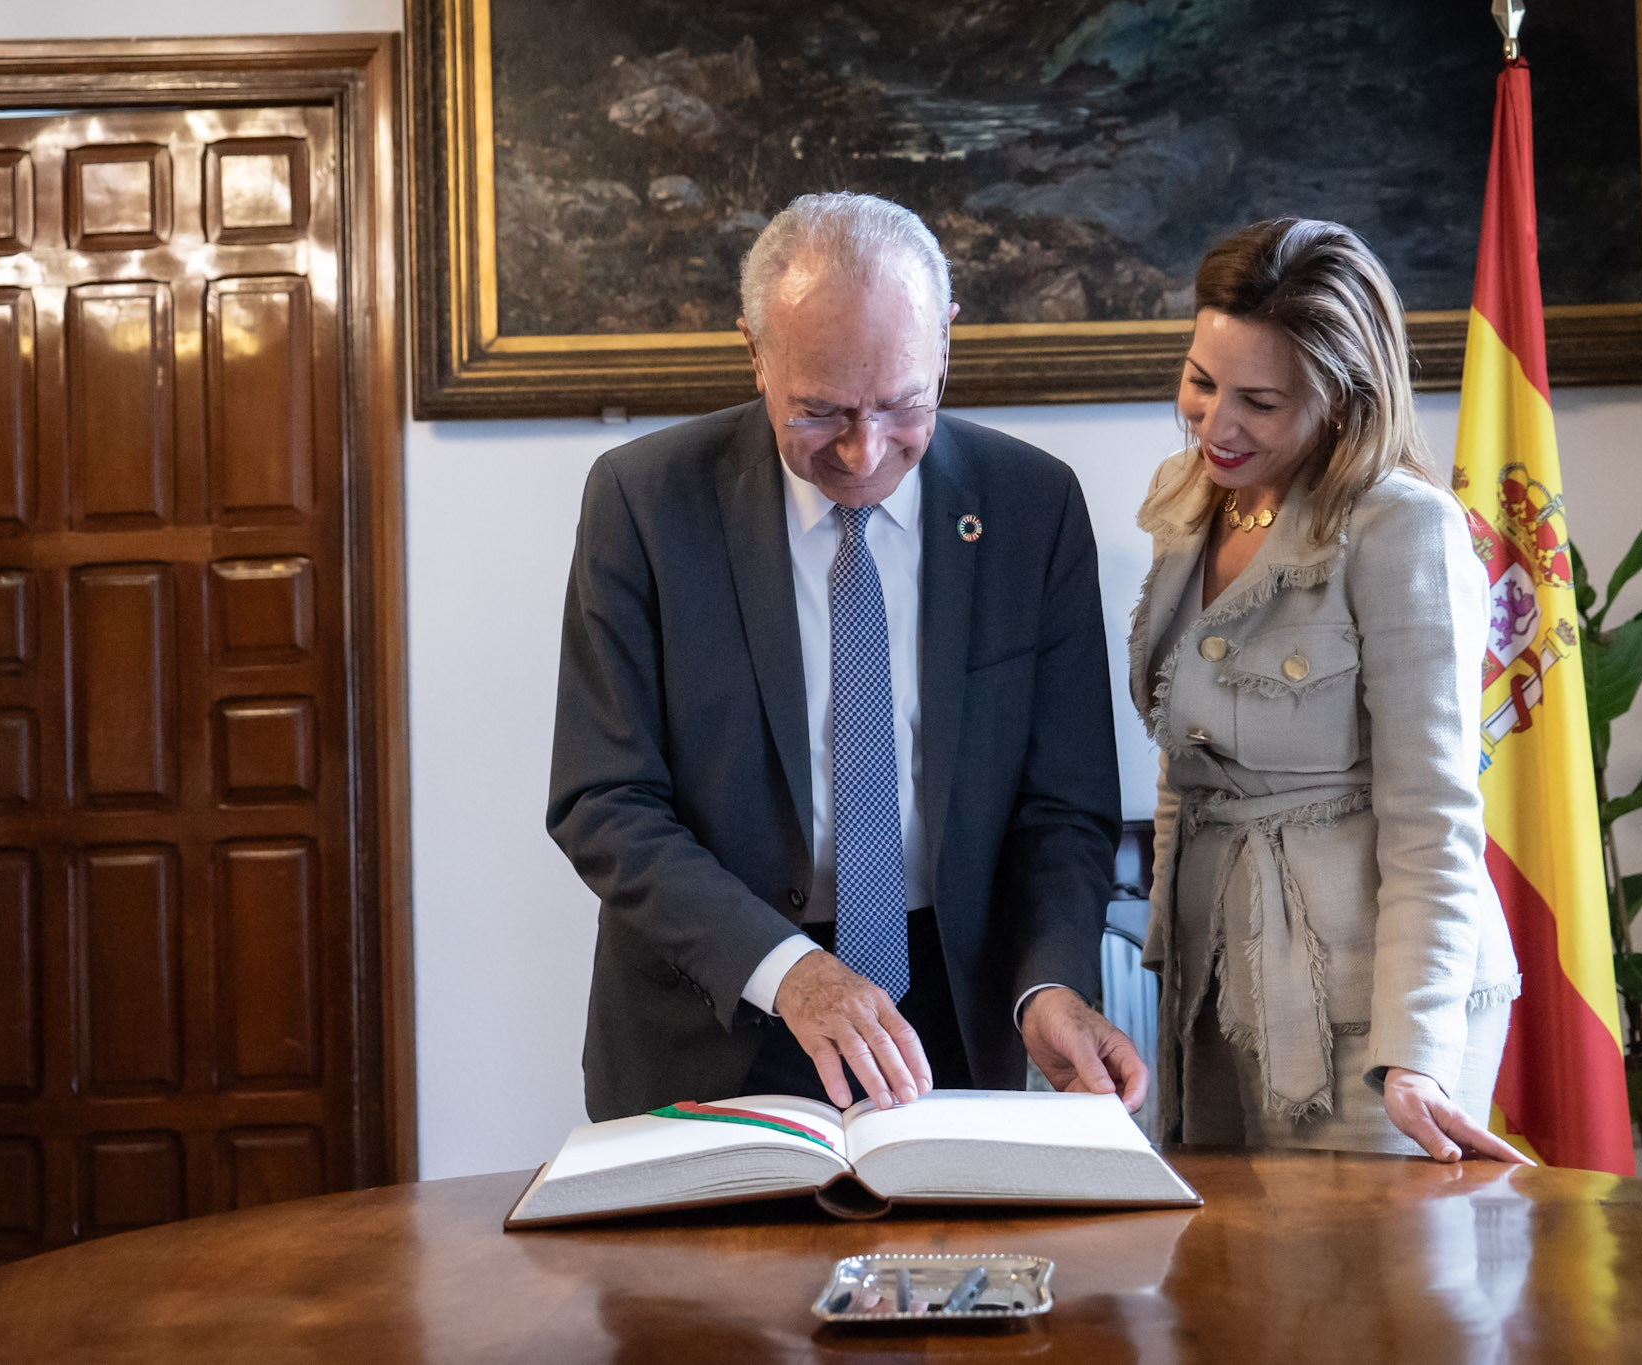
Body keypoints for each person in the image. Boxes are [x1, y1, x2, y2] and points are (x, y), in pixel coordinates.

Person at [549, 191, 1148, 1122]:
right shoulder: (645, 503)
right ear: (755, 351)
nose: (867, 452)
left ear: (945, 341)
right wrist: (791, 972)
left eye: (903, 404)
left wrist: (1051, 984)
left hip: (950, 1016)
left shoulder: (1033, 506)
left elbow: (1062, 805)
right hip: (718, 1018)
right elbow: (604, 799)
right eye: (822, 412)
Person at [1130, 218, 1530, 1164]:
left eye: (1260, 402)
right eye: (1201, 381)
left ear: (1342, 400)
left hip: (1375, 1009)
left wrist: (1417, 1051)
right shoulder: (1188, 496)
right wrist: (1162, 954)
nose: (1215, 425)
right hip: (1213, 979)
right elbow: (1183, 758)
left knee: (1369, 1302)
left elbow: (1434, 817)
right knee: (1227, 1299)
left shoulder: (1404, 530)